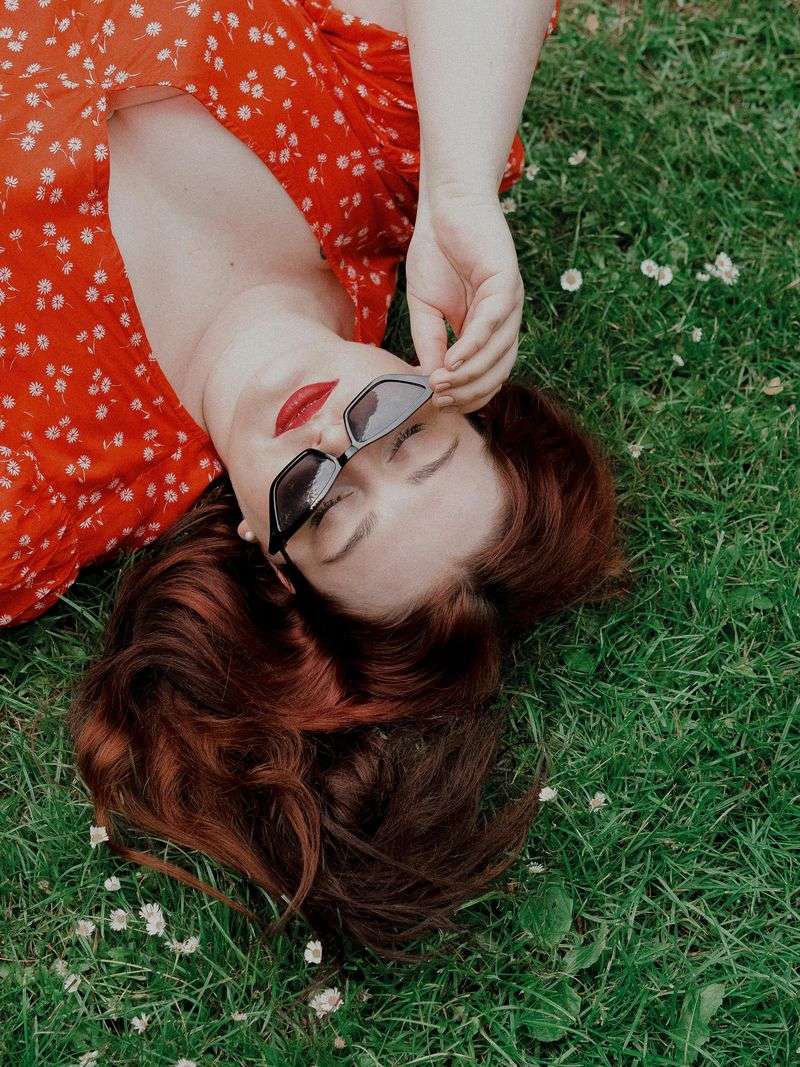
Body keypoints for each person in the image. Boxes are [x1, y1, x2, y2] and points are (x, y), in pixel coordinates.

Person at [1, 0, 626, 959]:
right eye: (400, 431)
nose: (333, 435)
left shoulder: (44, 486)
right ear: (444, 382)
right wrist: (459, 188)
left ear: (266, 556)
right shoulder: (383, 156)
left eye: (323, 505)